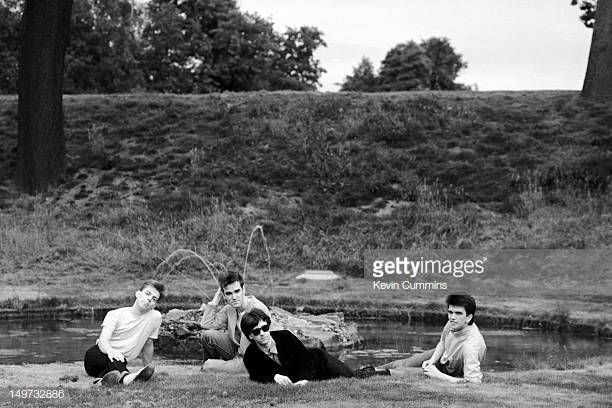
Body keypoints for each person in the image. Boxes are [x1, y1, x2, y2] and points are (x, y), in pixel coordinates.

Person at [358, 294, 486, 383]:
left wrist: (438, 375)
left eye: (458, 313)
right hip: (444, 354)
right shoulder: (453, 323)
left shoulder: (470, 346)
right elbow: (442, 342)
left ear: (468, 318)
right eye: (450, 312)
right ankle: (368, 370)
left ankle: (376, 374)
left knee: (407, 372)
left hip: (450, 368)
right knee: (402, 363)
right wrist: (432, 360)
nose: (452, 317)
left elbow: (473, 383)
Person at [240, 308, 355, 385]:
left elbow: (306, 359)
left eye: (265, 328)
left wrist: (305, 379)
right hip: (298, 376)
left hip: (318, 361)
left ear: (268, 326)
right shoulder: (250, 356)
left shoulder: (285, 336)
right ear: (250, 335)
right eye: (256, 331)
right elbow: (256, 375)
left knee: (351, 377)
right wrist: (274, 377)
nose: (262, 333)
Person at [84, 280, 165, 386]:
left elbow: (148, 343)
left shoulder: (155, 317)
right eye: (147, 294)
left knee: (115, 370)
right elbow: (103, 340)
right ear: (138, 294)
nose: (149, 299)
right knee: (116, 360)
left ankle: (103, 381)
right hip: (97, 356)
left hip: (119, 362)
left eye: (154, 299)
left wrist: (148, 368)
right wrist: (111, 351)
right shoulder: (115, 314)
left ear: (154, 305)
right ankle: (128, 378)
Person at [199, 270, 270, 364]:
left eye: (237, 291)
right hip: (236, 349)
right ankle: (211, 367)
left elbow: (264, 341)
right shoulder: (230, 309)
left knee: (213, 366)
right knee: (207, 335)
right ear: (224, 295)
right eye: (229, 293)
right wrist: (217, 297)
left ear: (243, 289)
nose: (234, 297)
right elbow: (206, 324)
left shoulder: (257, 308)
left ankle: (215, 366)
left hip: (254, 355)